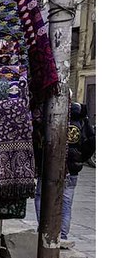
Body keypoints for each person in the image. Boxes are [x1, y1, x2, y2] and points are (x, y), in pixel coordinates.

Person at [34, 101, 96, 240]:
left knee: (41, 196)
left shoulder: (49, 114)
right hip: (72, 168)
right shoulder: (82, 119)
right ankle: (62, 235)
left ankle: (44, 229)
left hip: (48, 165)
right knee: (66, 202)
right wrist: (81, 157)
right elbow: (92, 141)